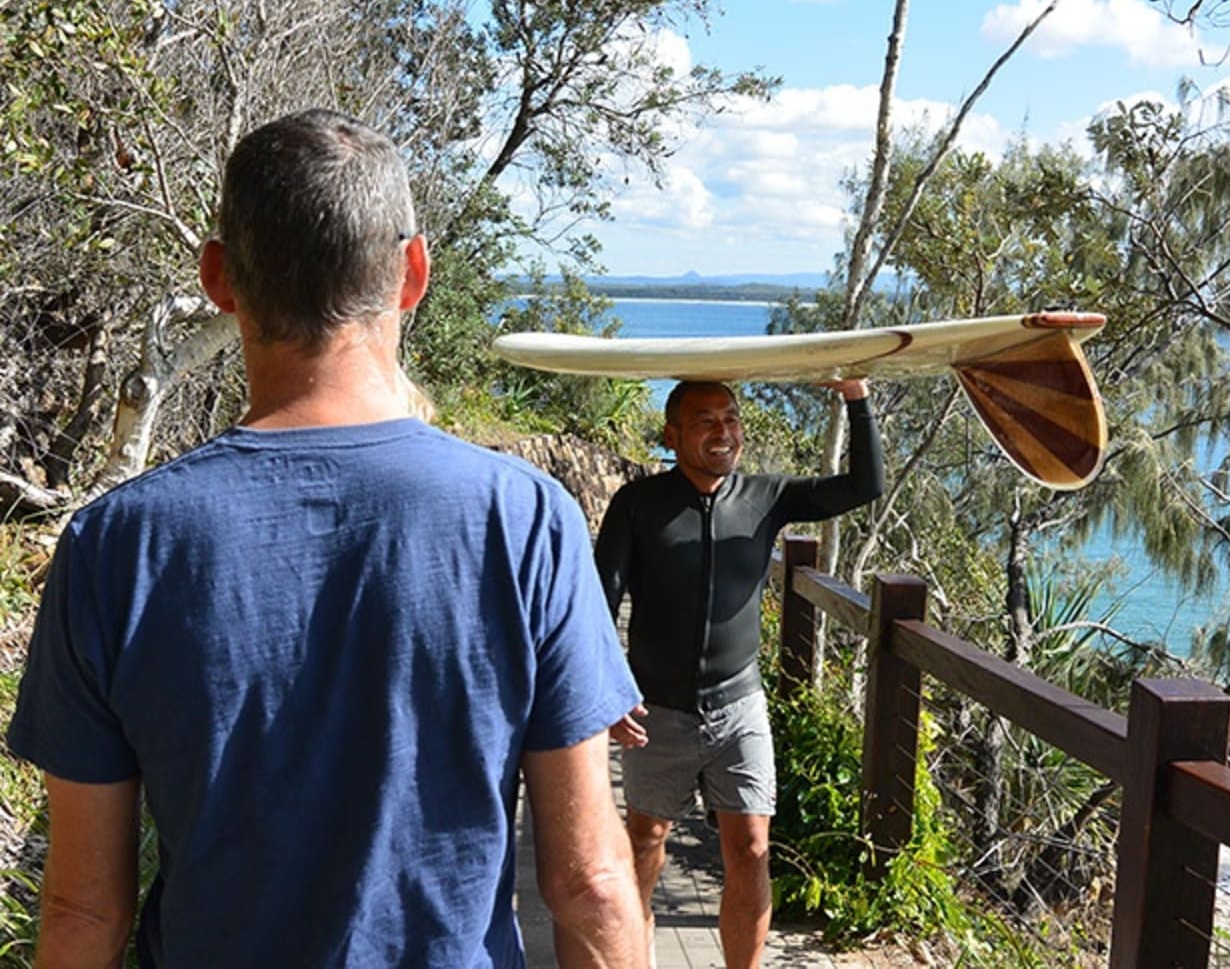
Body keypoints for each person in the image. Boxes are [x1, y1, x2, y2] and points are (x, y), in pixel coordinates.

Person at [7, 109, 647, 968]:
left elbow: (84, 908)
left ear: (219, 277)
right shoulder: (523, 519)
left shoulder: (117, 545)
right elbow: (591, 883)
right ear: (413, 272)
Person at [593, 378, 884, 968]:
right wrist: (606, 691)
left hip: (739, 706)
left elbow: (865, 485)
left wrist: (856, 398)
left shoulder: (766, 495)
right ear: (672, 434)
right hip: (657, 710)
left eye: (731, 418)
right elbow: (602, 599)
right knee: (646, 842)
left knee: (751, 849)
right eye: (705, 420)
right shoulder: (639, 503)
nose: (723, 432)